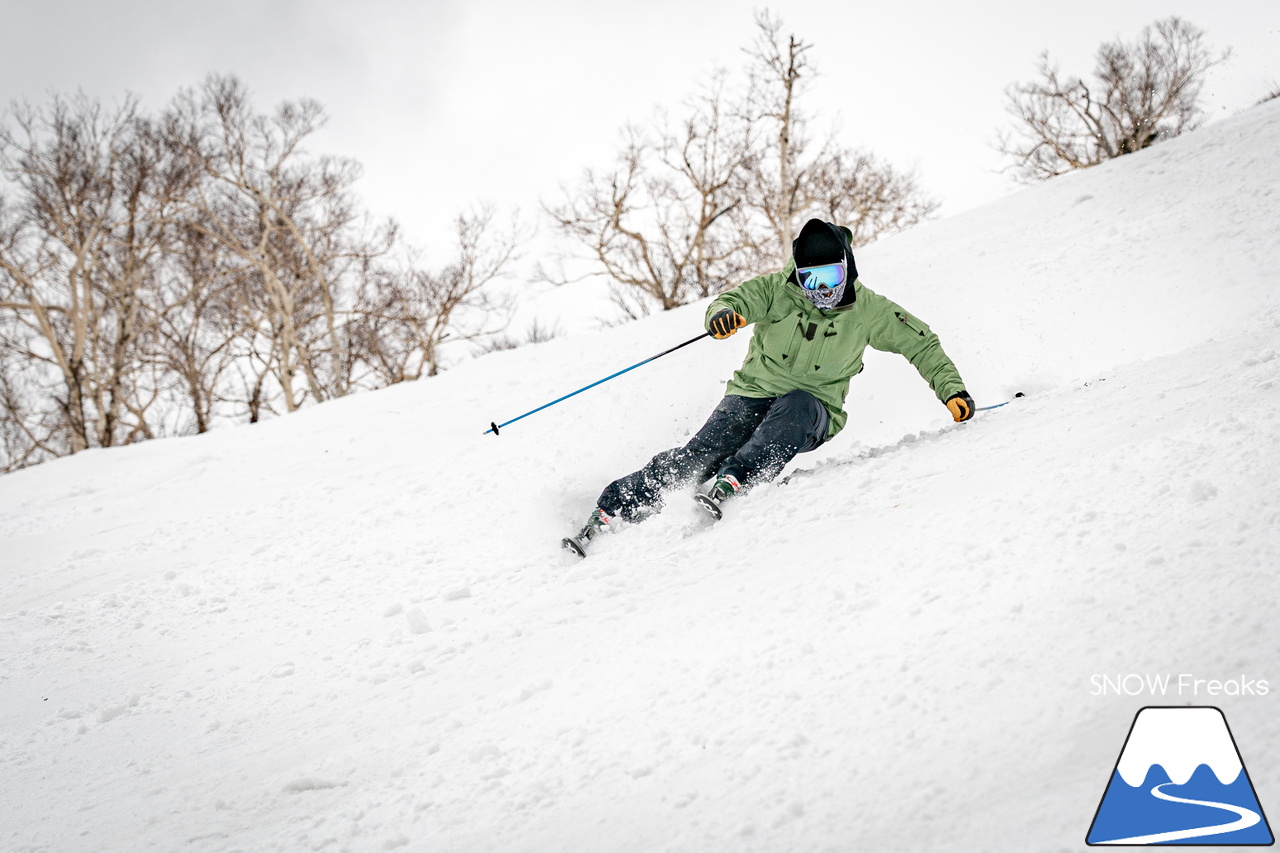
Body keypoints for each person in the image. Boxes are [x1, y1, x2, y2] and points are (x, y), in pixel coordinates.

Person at [563, 218, 974, 556]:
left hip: (813, 408)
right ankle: (615, 506)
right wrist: (723, 315)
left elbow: (921, 343)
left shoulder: (869, 311)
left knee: (794, 406)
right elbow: (733, 301)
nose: (822, 289)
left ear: (847, 268)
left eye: (831, 275)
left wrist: (951, 390)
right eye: (810, 279)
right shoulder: (777, 291)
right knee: (705, 449)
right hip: (752, 393)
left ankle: (737, 478)